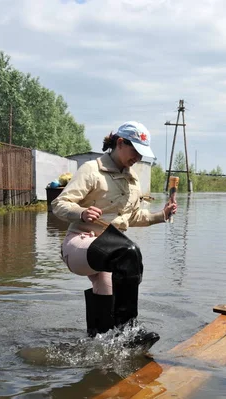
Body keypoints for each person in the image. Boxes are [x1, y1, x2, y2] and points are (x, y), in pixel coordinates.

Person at [52, 121, 177, 345]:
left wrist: (162, 215)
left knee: (104, 322)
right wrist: (81, 212)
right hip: (79, 245)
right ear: (120, 143)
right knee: (129, 252)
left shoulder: (132, 180)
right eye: (135, 151)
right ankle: (129, 330)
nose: (138, 158)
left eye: (142, 154)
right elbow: (59, 204)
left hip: (110, 252)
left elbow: (134, 217)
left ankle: (100, 345)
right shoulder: (92, 169)